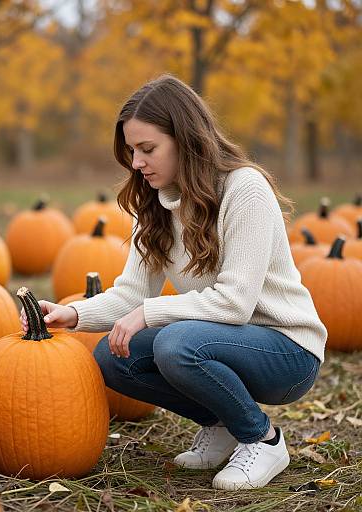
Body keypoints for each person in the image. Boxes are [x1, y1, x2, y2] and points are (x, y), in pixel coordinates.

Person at [20, 74, 327, 490]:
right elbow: (131, 293)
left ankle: (263, 439)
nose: (136, 163)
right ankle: (221, 425)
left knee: (175, 343)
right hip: (220, 340)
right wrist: (73, 313)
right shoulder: (157, 204)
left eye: (148, 149)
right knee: (114, 358)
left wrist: (148, 314)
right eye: (131, 151)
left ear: (187, 139)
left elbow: (235, 303)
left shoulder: (245, 189)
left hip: (286, 350)